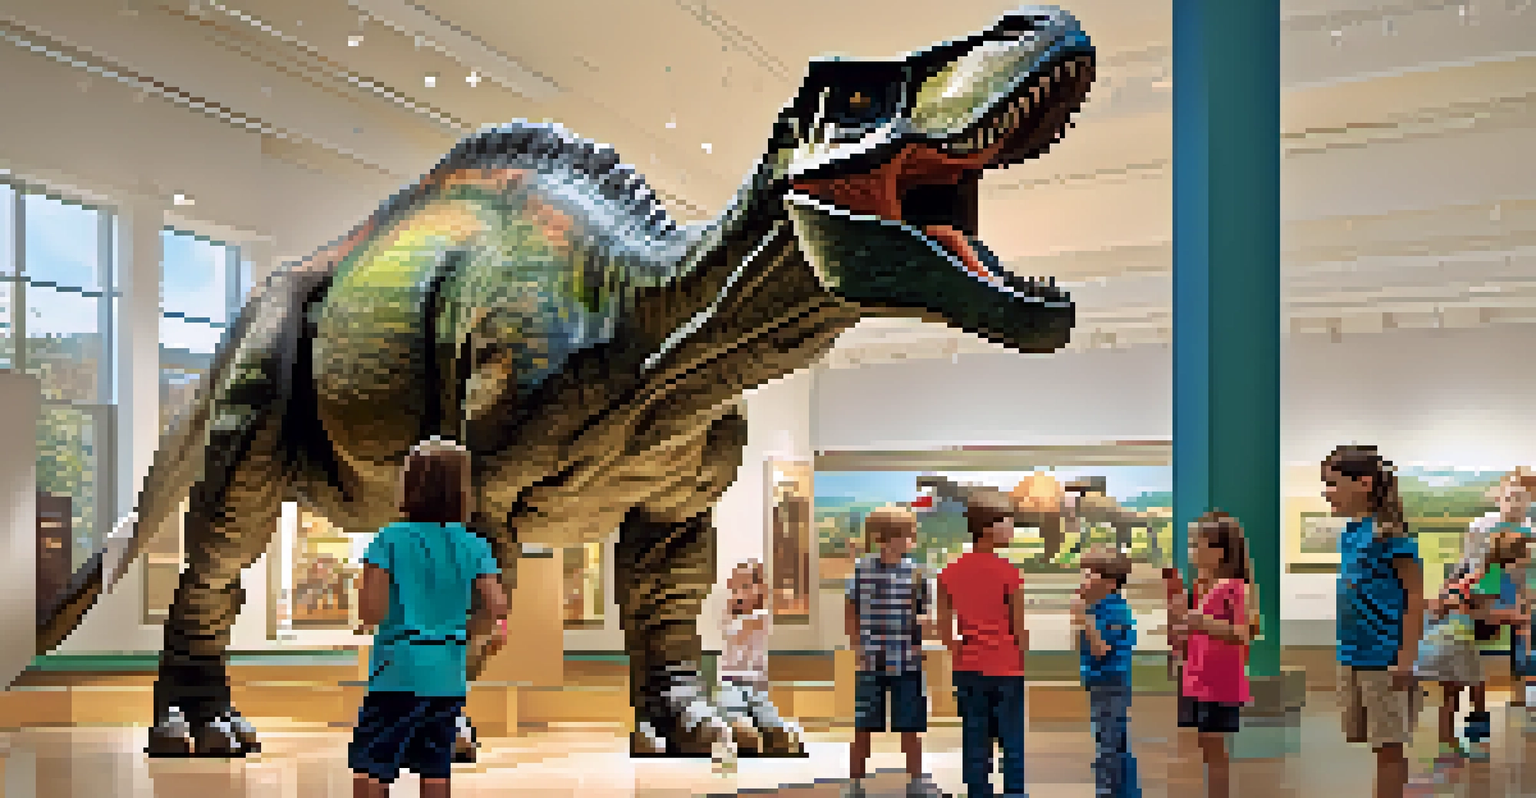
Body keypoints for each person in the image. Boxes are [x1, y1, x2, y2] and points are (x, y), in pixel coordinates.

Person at [349, 438, 508, 798]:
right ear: (462, 491)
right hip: (448, 676)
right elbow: (497, 604)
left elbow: (372, 611)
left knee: (372, 767)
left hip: (397, 672)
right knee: (436, 770)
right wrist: (498, 630)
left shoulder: (389, 540)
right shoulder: (474, 544)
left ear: (408, 484)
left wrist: (365, 617)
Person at [1323, 444, 1424, 798]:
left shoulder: (1391, 536)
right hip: (1354, 655)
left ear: (1364, 483)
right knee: (1374, 742)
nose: (1327, 492)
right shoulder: (1350, 534)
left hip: (1385, 658)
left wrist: (1406, 658)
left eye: (1333, 484)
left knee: (1389, 747)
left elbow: (1415, 597)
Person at [845, 505, 940, 798]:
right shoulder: (862, 569)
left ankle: (916, 780)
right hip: (871, 660)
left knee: (910, 725)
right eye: (907, 534)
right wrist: (857, 646)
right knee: (864, 725)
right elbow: (851, 610)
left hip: (907, 662)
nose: (912, 539)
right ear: (888, 537)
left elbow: (925, 612)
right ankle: (854, 782)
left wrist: (923, 634)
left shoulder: (917, 573)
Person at [937, 488, 1028, 798]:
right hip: (1006, 665)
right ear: (988, 528)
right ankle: (1014, 792)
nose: (1012, 528)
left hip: (969, 667)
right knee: (1011, 737)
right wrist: (1021, 655)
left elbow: (943, 625)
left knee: (975, 736)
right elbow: (1018, 627)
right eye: (1008, 522)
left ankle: (979, 792)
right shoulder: (1010, 573)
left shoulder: (949, 572)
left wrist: (957, 648)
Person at [1173, 511, 1257, 798]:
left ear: (1221, 551)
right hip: (1198, 676)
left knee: (1214, 745)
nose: (1192, 552)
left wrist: (1199, 621)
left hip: (1218, 682)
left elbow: (1242, 632)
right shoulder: (1202, 587)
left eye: (1198, 545)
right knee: (1206, 745)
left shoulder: (1235, 588)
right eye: (1192, 545)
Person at [1074, 544, 1141, 798]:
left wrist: (1085, 618)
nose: (1083, 579)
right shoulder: (1100, 607)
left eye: (1090, 574)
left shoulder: (1114, 610)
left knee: (1109, 743)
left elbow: (1101, 649)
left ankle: (1108, 791)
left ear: (1111, 583)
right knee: (1112, 738)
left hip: (1110, 683)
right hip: (1101, 681)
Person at [717, 559, 795, 758]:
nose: (739, 594)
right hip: (730, 682)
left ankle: (778, 733)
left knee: (764, 709)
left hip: (757, 684)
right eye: (734, 589)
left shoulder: (763, 615)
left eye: (745, 587)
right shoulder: (728, 617)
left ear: (759, 589)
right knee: (731, 706)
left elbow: (759, 621)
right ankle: (741, 730)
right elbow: (737, 630)